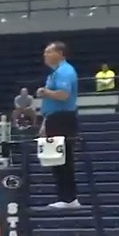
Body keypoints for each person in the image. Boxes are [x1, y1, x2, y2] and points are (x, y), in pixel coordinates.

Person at [38, 41, 80, 208]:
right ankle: (64, 196)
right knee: (55, 159)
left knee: (63, 159)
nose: (45, 55)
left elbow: (63, 95)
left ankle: (69, 198)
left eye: (49, 52)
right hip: (53, 118)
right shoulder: (54, 73)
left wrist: (44, 92)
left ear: (60, 53)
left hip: (63, 118)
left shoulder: (65, 71)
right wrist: (45, 122)